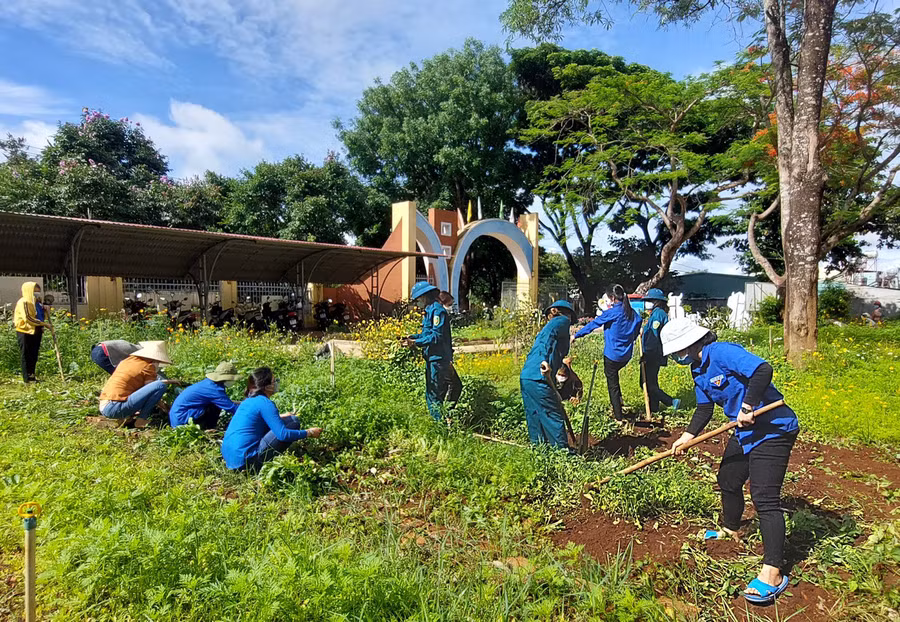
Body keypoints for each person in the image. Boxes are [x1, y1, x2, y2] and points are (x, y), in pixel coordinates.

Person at [663, 317, 799, 605]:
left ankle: (773, 572)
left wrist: (748, 406)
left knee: (764, 497)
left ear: (689, 343)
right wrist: (686, 437)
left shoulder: (722, 352)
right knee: (728, 478)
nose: (676, 356)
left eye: (676, 350)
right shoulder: (698, 370)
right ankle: (731, 529)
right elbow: (704, 408)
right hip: (745, 432)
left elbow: (762, 370)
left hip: (772, 429)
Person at [221, 367, 322, 471]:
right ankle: (260, 466)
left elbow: (258, 420)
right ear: (267, 386)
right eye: (274, 381)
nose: (276, 384)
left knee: (285, 420)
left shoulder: (248, 401)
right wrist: (309, 432)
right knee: (293, 422)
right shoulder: (265, 403)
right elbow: (283, 435)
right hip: (247, 463)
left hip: (231, 460)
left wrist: (281, 416)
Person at [571, 284, 642, 421]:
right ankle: (619, 402)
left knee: (612, 385)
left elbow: (593, 324)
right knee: (614, 378)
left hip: (612, 356)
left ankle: (618, 416)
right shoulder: (632, 313)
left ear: (612, 298)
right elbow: (638, 323)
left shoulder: (612, 313)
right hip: (626, 355)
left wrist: (576, 335)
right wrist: (631, 339)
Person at [520, 300, 577, 449]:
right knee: (553, 416)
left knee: (535, 416)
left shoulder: (549, 327)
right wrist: (543, 359)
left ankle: (540, 451)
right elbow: (545, 341)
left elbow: (548, 346)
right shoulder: (562, 320)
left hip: (527, 376)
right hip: (539, 376)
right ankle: (562, 454)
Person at [98, 341, 180, 427]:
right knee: (160, 386)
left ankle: (126, 417)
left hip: (105, 406)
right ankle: (141, 420)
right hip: (115, 408)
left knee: (158, 384)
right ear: (155, 360)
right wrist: (165, 408)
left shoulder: (128, 361)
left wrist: (168, 381)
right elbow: (152, 390)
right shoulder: (148, 366)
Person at [402, 283, 453, 421]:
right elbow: (426, 334)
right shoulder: (429, 311)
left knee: (434, 395)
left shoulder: (438, 312)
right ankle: (439, 421)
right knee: (431, 393)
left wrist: (415, 343)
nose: (417, 303)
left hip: (438, 359)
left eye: (418, 299)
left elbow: (437, 336)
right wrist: (412, 337)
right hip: (431, 358)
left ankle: (439, 425)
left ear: (425, 296)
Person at [640, 289, 679, 414]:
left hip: (653, 353)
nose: (648, 304)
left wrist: (647, 354)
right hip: (654, 353)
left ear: (656, 301)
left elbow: (653, 336)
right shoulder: (656, 313)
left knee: (647, 382)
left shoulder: (658, 314)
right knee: (651, 381)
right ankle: (654, 408)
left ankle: (671, 401)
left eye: (650, 301)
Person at [169, 362, 242, 429]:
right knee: (214, 406)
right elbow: (233, 408)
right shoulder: (214, 390)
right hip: (182, 419)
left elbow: (225, 401)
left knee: (214, 404)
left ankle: (208, 427)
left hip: (178, 416)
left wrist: (241, 403)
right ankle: (208, 428)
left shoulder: (209, 384)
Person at [14, 281, 48, 383]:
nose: (37, 294)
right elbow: (28, 318)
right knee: (26, 354)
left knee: (34, 354)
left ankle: (32, 376)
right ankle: (27, 379)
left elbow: (40, 316)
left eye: (38, 292)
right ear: (28, 291)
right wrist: (44, 324)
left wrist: (46, 310)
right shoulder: (24, 302)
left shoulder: (37, 303)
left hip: (36, 330)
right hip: (25, 331)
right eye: (34, 291)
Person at [438, 291, 463, 404]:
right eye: (449, 304)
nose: (451, 307)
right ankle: (448, 409)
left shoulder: (440, 314)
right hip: (443, 359)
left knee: (443, 386)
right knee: (455, 385)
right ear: (443, 302)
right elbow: (441, 339)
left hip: (442, 358)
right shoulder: (440, 314)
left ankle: (442, 409)